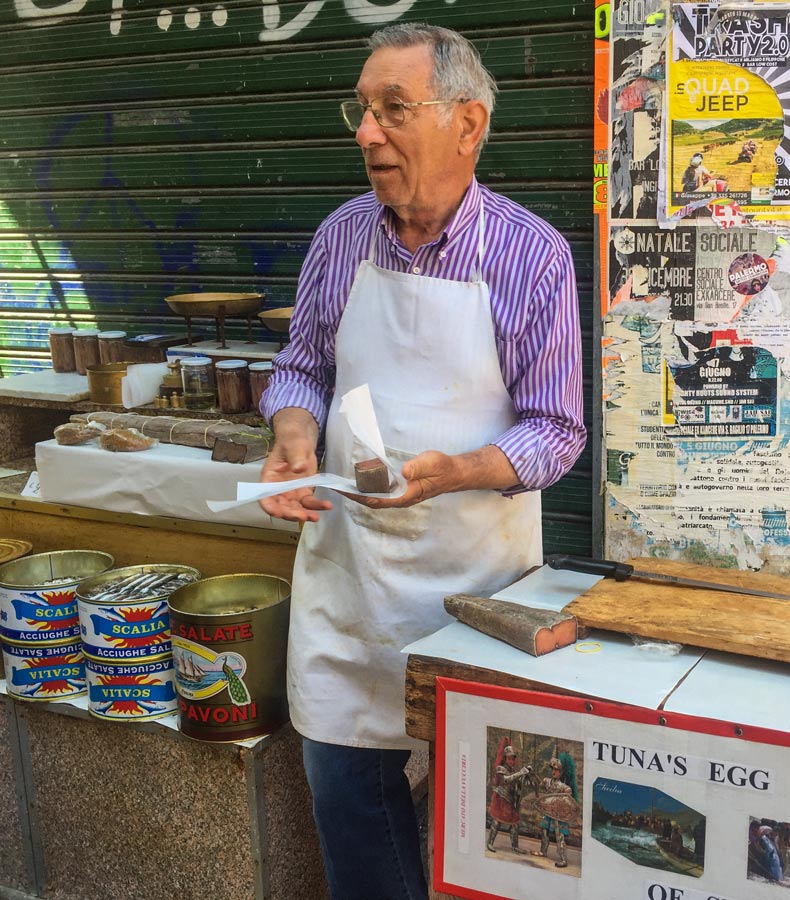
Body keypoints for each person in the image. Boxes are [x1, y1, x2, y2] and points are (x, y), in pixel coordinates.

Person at [256, 23, 586, 900]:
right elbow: (301, 366)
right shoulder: (339, 238)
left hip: (478, 603)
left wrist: (464, 470)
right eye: (361, 111)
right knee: (362, 851)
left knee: (488, 853)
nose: (367, 133)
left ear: (468, 124)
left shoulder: (532, 256)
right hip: (351, 599)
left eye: (393, 109)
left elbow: (558, 430)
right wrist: (293, 431)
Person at [535, 752, 578, 868]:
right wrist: (534, 776)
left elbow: (568, 798)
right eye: (553, 769)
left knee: (560, 836)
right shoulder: (547, 781)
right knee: (544, 831)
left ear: (561, 772)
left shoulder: (564, 787)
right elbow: (538, 786)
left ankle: (563, 859)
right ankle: (543, 851)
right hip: (548, 812)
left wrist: (566, 794)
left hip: (558, 814)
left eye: (557, 770)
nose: (554, 772)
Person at [488, 743, 533, 855]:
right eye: (509, 759)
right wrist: (520, 773)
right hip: (501, 798)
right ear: (505, 759)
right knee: (497, 821)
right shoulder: (500, 768)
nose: (511, 761)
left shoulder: (514, 771)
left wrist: (526, 774)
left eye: (513, 759)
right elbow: (506, 780)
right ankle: (490, 843)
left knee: (514, 824)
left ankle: (515, 846)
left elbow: (520, 783)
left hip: (510, 800)